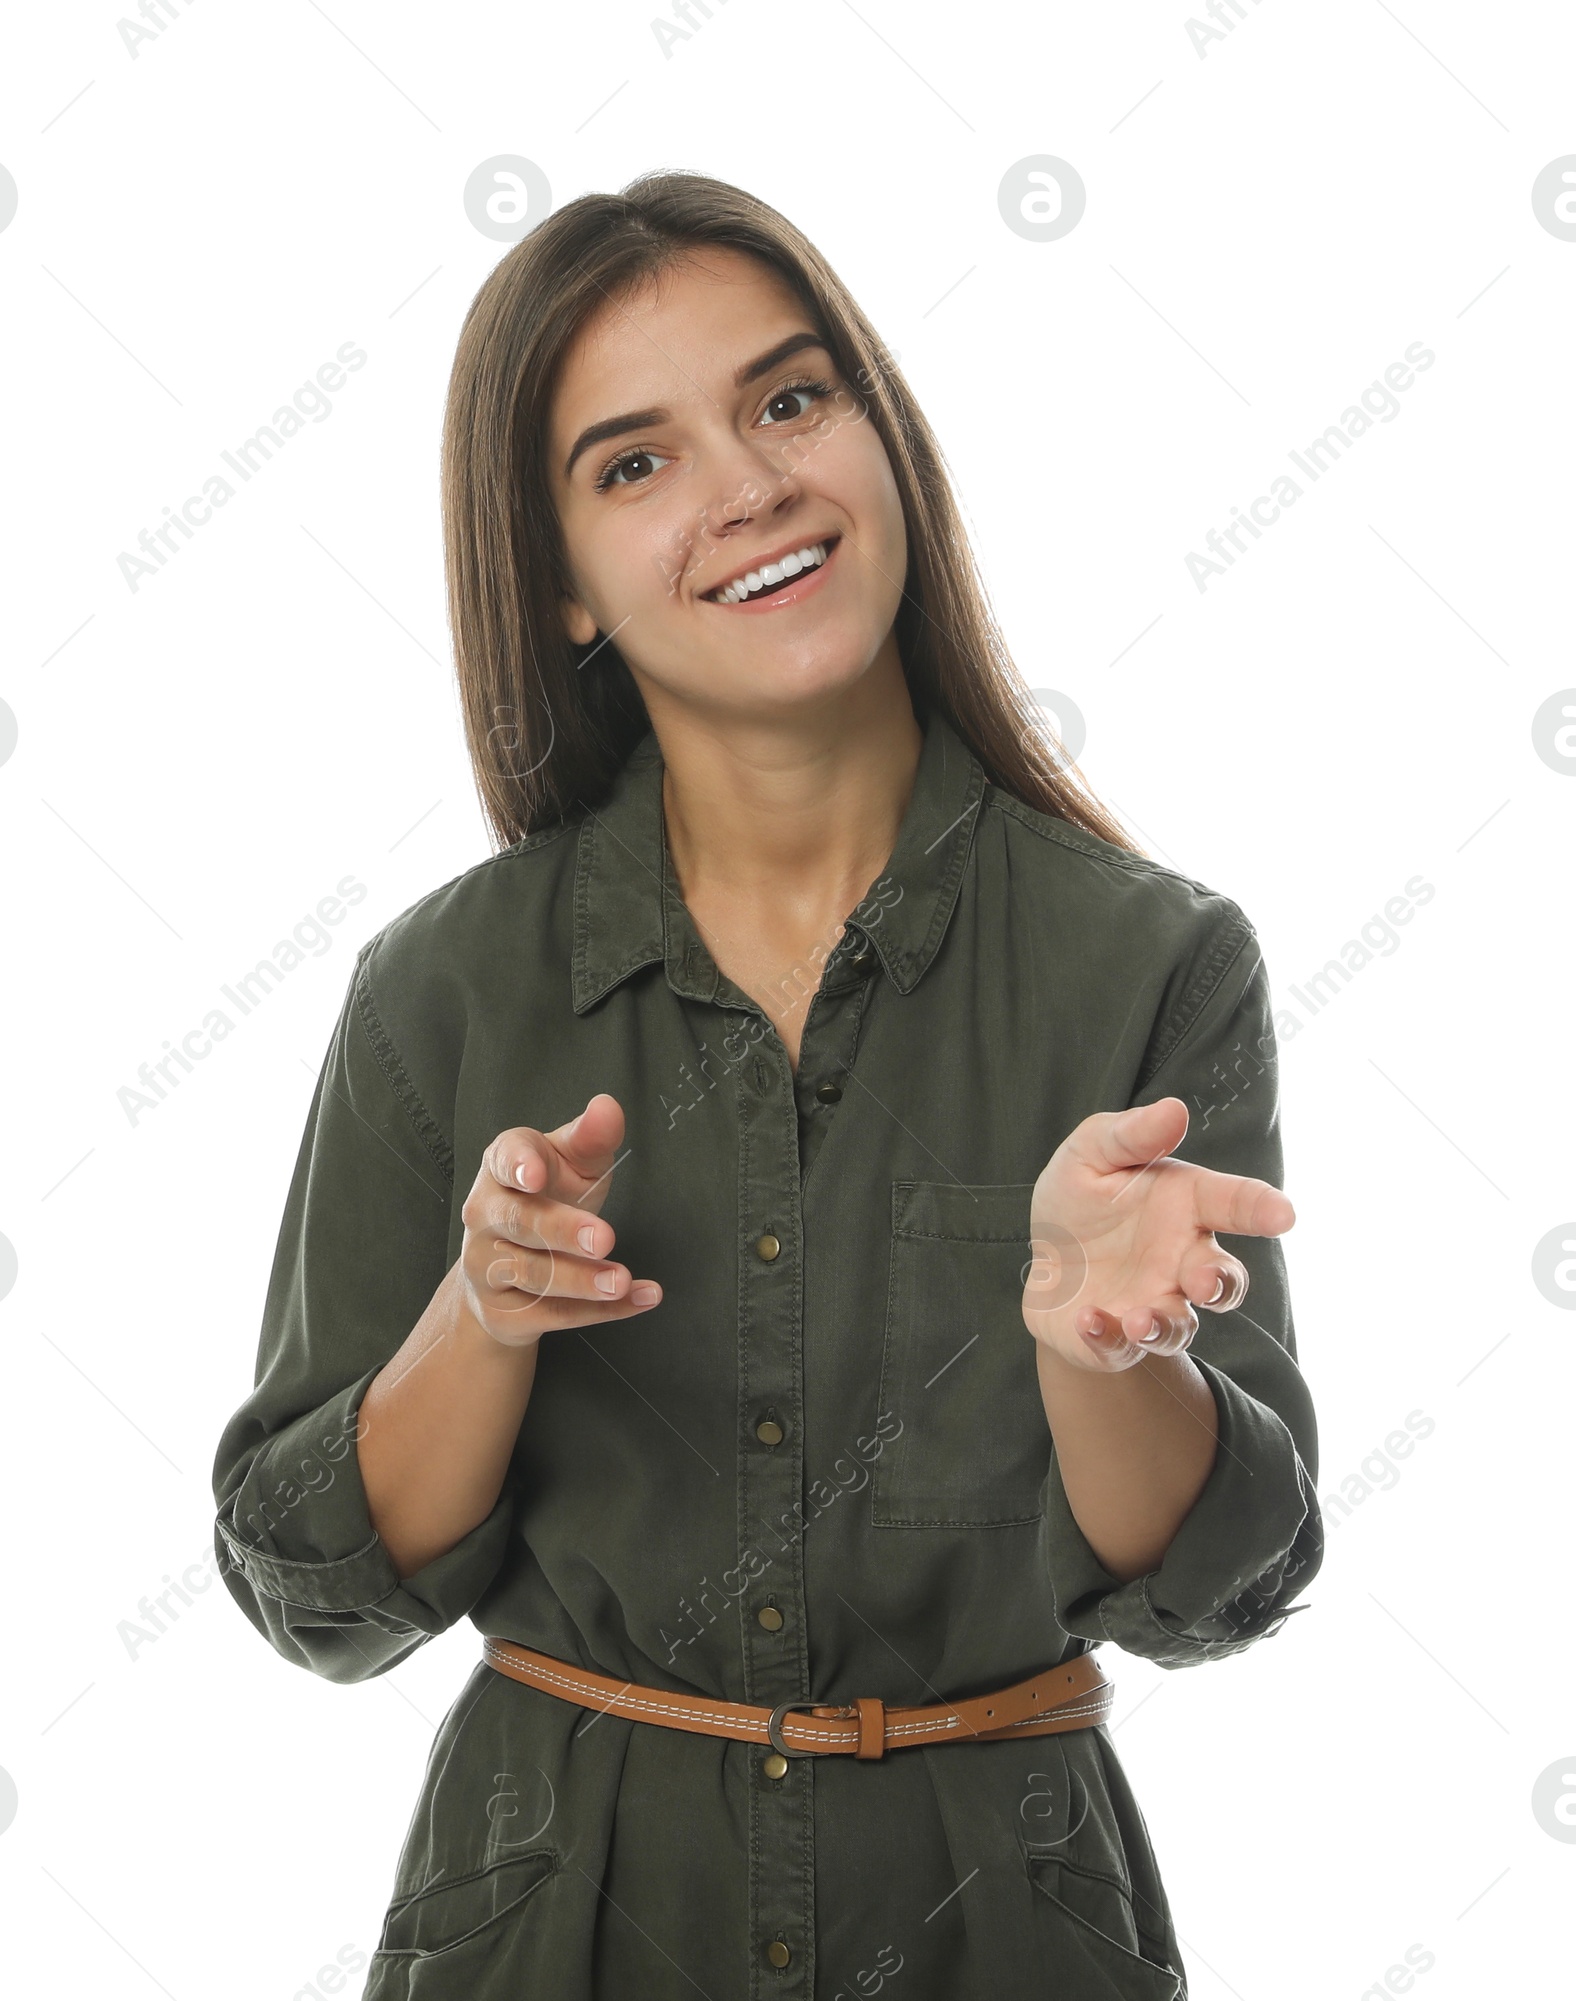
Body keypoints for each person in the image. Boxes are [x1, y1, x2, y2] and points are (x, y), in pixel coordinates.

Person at [211, 168, 1322, 2000]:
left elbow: (1220, 1581)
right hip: (553, 1925)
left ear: (883, 438)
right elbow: (313, 1594)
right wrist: (484, 1318)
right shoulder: (443, 983)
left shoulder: (1156, 965)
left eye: (789, 400)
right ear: (561, 584)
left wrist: (1098, 1347)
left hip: (1012, 1926)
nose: (748, 489)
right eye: (634, 464)